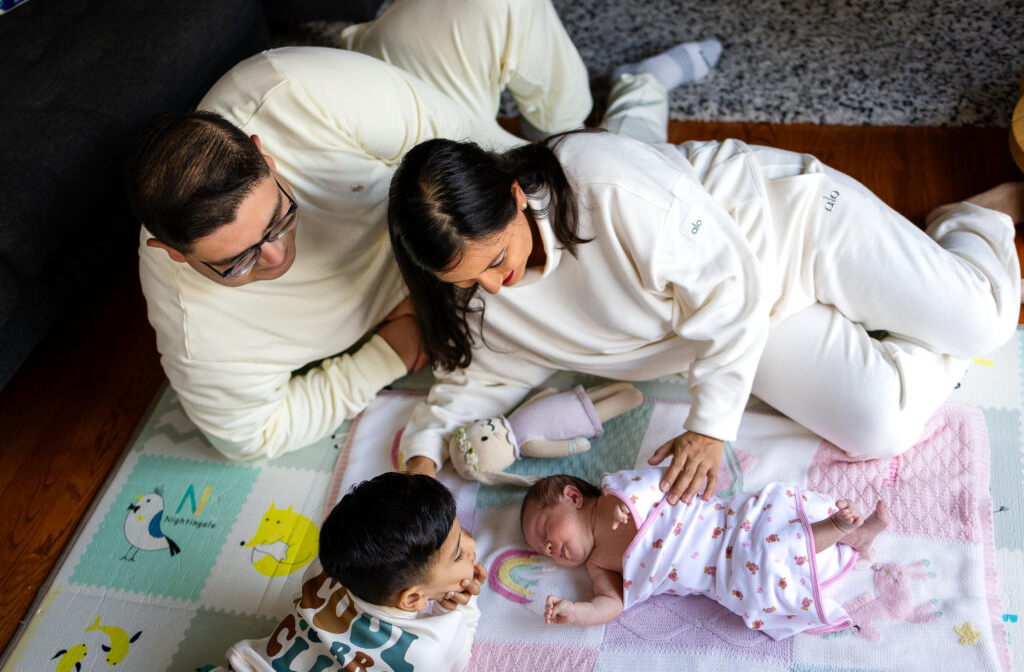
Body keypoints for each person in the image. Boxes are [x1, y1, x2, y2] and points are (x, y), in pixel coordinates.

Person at [127, 0, 721, 461]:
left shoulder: (287, 91)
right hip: (428, 272)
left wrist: (558, 185)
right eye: (238, 261)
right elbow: (252, 438)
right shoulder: (194, 330)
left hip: (403, 130)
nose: (278, 256)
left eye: (279, 218)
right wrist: (391, 348)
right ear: (173, 254)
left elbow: (460, 141)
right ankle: (638, 96)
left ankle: (585, 123)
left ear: (267, 155)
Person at [386, 130, 1022, 503]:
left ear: (517, 197)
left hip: (788, 230)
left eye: (498, 259)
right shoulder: (477, 291)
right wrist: (421, 459)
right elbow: (485, 375)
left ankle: (974, 218)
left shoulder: (602, 183)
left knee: (987, 322)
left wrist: (711, 427)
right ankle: (909, 312)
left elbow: (727, 285)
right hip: (742, 330)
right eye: (466, 281)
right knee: (881, 428)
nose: (493, 287)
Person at [519, 470, 890, 639]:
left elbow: (663, 480)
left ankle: (845, 529)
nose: (550, 550)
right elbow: (612, 602)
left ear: (572, 497)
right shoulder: (598, 564)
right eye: (543, 552)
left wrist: (624, 503)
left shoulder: (615, 488)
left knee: (770, 538)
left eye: (545, 532)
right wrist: (578, 612)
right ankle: (851, 536)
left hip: (728, 527)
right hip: (721, 575)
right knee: (762, 569)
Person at [224, 472, 486, 671]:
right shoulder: (425, 649)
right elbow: (459, 661)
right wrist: (460, 606)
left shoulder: (326, 568)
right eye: (459, 554)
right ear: (412, 600)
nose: (473, 544)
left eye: (461, 533)